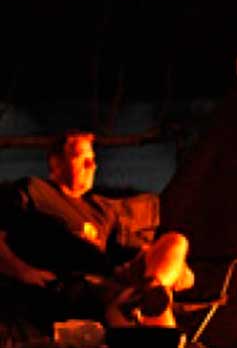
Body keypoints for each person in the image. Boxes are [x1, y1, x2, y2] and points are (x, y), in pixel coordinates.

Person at [0, 130, 194, 334]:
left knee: (176, 241)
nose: (91, 165)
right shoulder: (33, 190)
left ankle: (155, 286)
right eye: (81, 158)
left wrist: (167, 264)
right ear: (56, 162)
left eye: (92, 159)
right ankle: (156, 334)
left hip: (114, 277)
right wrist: (22, 272)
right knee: (126, 296)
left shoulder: (101, 209)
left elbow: (126, 256)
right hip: (71, 283)